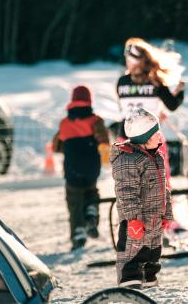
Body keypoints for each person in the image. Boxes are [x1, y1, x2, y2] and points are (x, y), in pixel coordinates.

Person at [112, 107, 173, 289]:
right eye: (156, 133)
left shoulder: (156, 156)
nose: (160, 136)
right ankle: (130, 291)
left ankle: (150, 287)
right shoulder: (128, 160)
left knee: (152, 258)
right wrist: (133, 220)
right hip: (135, 224)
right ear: (144, 138)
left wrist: (166, 214)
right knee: (132, 258)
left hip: (154, 220)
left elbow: (164, 189)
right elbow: (126, 193)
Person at [49, 85, 110, 251]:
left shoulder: (65, 123)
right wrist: (105, 158)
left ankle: (78, 233)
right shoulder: (95, 121)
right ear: (89, 100)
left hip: (72, 169)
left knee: (74, 201)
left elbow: (56, 146)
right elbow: (104, 140)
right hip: (91, 168)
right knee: (91, 191)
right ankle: (91, 213)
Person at [116, 38, 186, 177]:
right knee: (158, 179)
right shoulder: (155, 81)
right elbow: (172, 105)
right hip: (150, 138)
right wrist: (180, 91)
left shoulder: (122, 82)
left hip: (125, 136)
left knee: (128, 180)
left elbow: (125, 107)